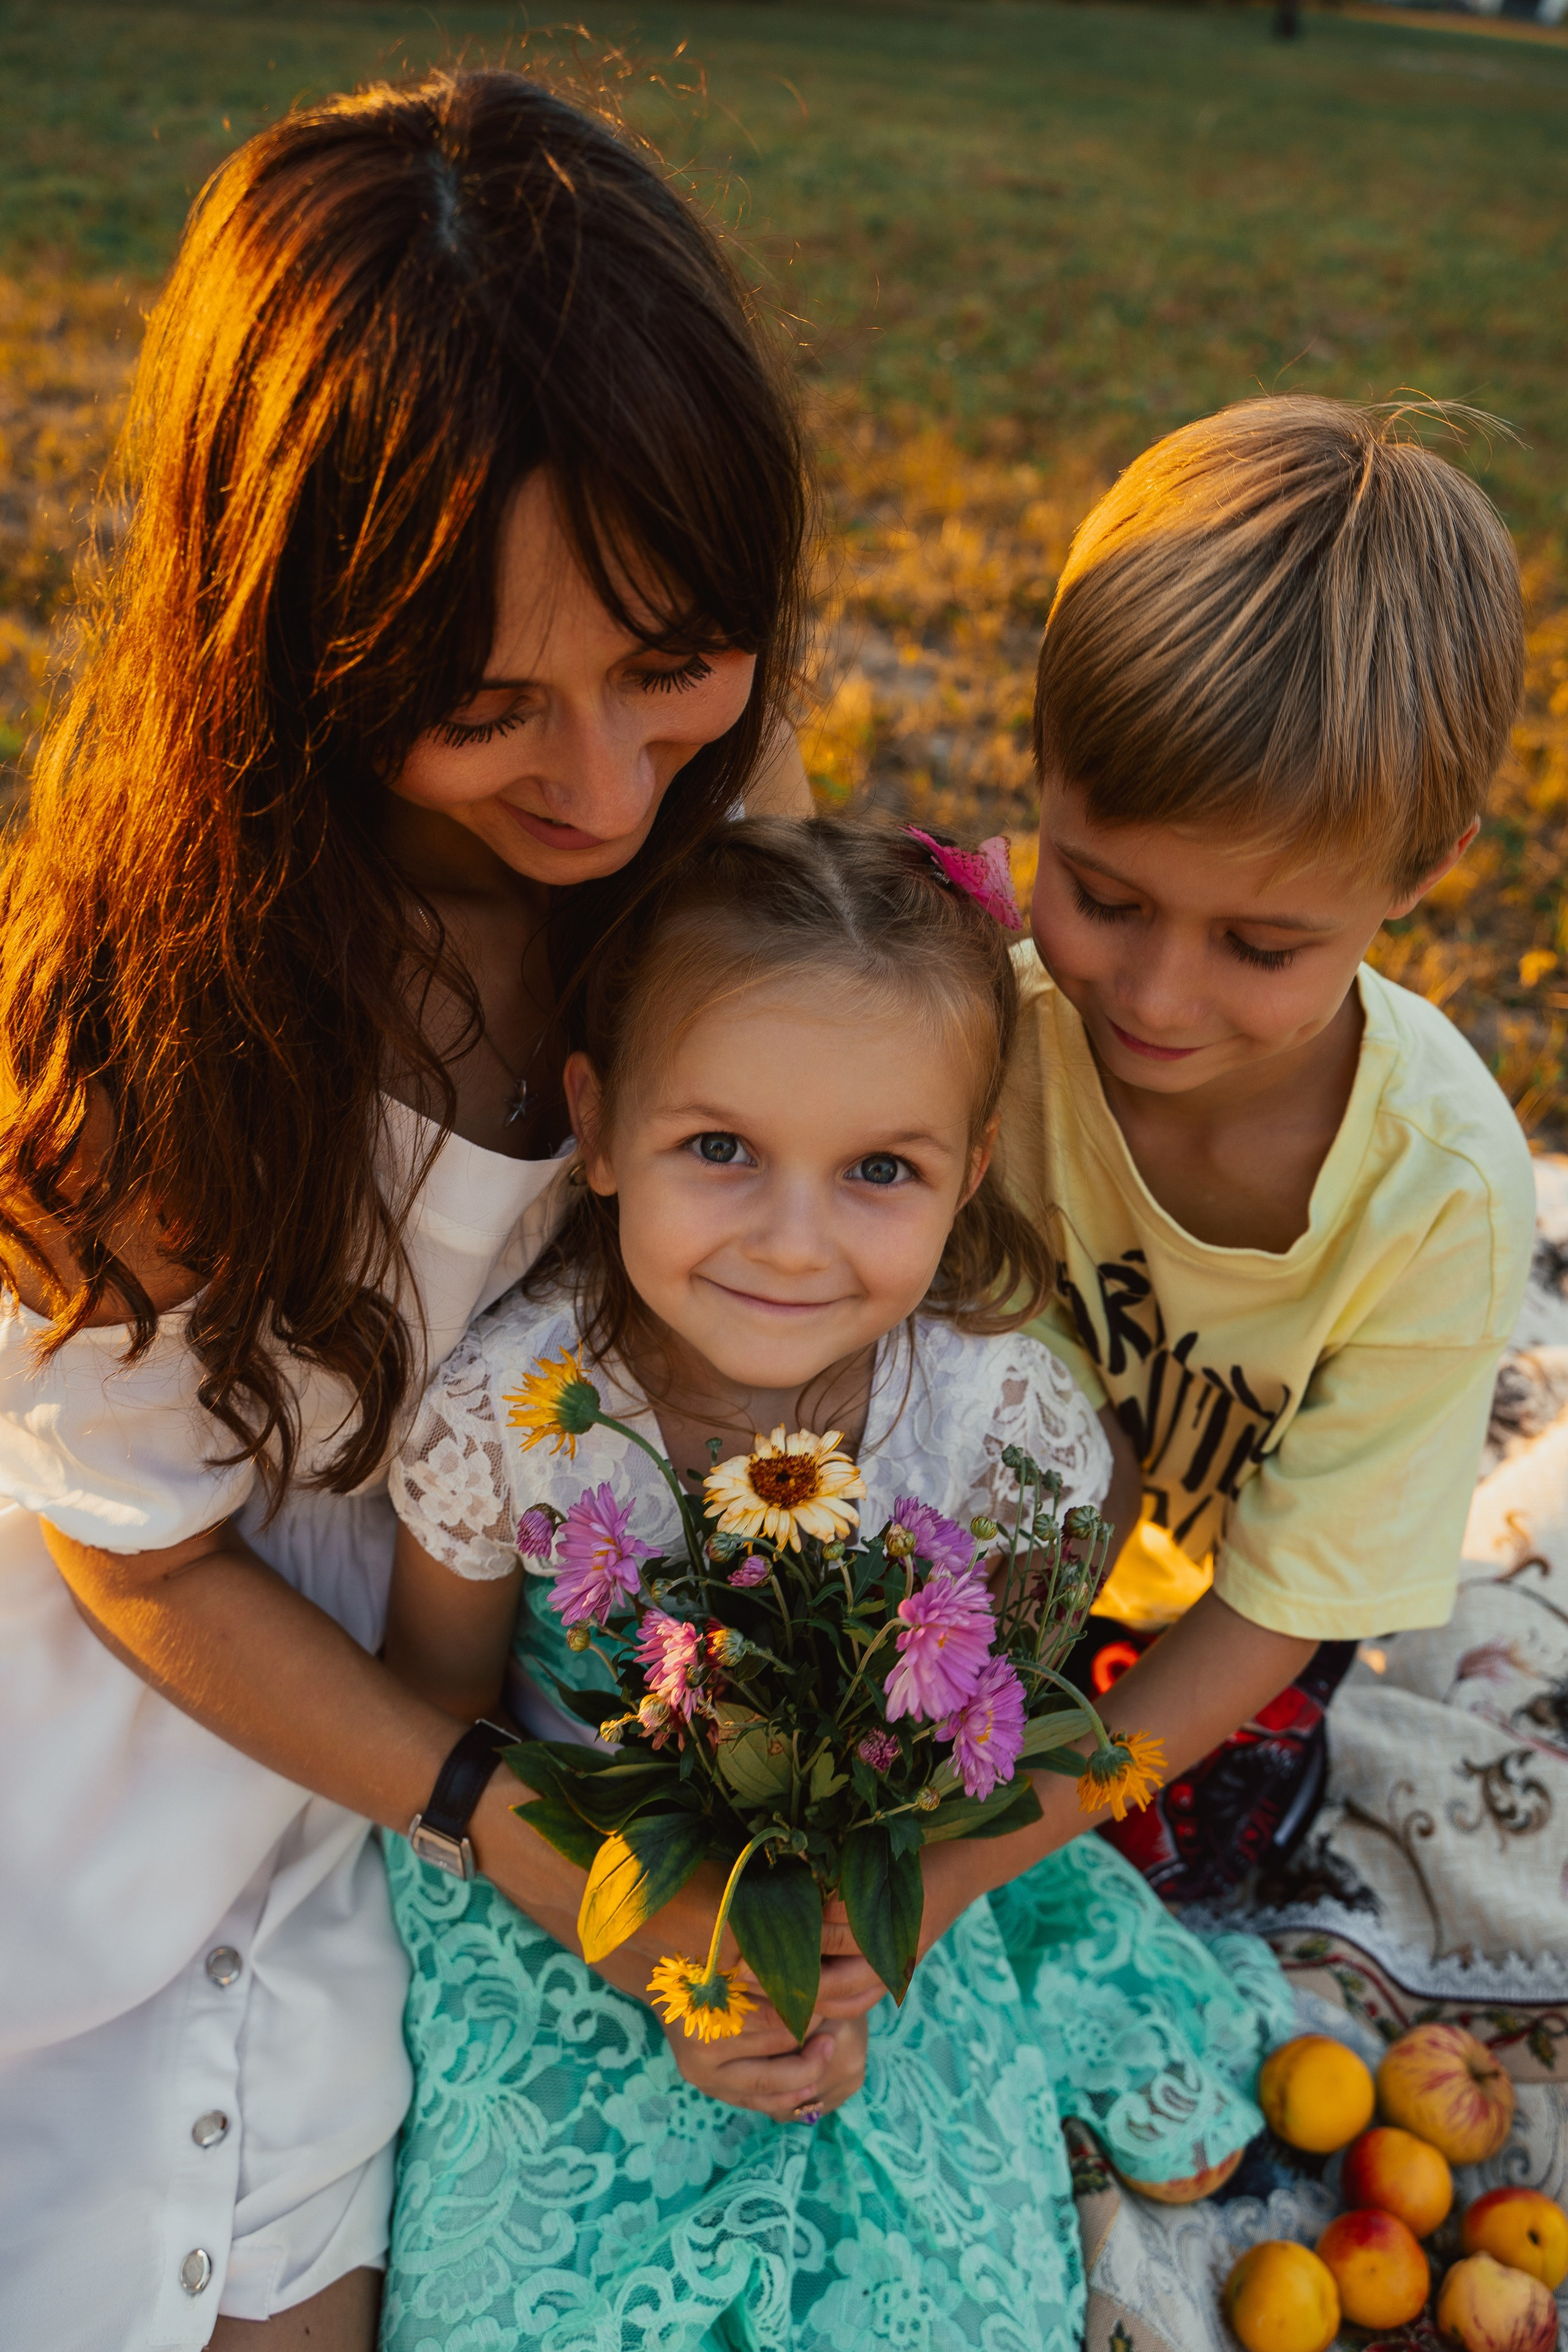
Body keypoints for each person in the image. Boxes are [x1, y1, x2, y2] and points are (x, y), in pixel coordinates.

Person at [0, 67, 816, 2352]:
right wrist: (514, 1828)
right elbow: (135, 1554)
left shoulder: (707, 822)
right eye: (486, 708)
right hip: (147, 1742)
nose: (607, 783)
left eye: (672, 666)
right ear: (293, 667)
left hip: (453, 1707)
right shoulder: (178, 1015)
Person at [377, 814, 1298, 2352]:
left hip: (882, 1879)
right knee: (521, 2296)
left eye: (878, 1168)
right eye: (718, 1148)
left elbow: (991, 1718)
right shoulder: (510, 1417)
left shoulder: (998, 1430)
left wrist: (853, 1944)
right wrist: (645, 1917)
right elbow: (437, 1710)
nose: (792, 1244)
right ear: (598, 1128)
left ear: (967, 1175)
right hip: (570, 1879)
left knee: (946, 2296)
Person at [995, 394, 1536, 1898]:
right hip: (972, 1544)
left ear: (1422, 874)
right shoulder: (967, 1018)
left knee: (1180, 1873)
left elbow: (1280, 1604)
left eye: (1259, 943)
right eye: (1100, 897)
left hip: (1216, 1617)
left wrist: (977, 1849)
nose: (1152, 998)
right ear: (1037, 765)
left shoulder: (1437, 1201)